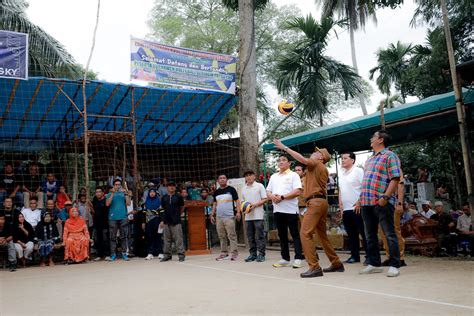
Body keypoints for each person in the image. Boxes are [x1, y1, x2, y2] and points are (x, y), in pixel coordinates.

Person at [274, 140, 344, 277]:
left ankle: (314, 267)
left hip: (315, 202)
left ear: (321, 157)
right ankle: (336, 263)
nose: (313, 152)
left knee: (304, 234)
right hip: (321, 202)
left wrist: (285, 148)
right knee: (322, 236)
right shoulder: (318, 168)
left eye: (316, 152)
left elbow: (301, 159)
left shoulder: (316, 163)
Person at [356, 130, 401, 278]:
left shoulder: (390, 156)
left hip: (381, 201)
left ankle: (395, 264)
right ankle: (374, 263)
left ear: (380, 140)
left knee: (389, 233)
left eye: (373, 137)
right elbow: (366, 181)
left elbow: (395, 178)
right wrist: (360, 199)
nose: (371, 139)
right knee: (369, 235)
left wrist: (386, 197)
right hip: (366, 202)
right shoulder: (369, 159)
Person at [266, 154, 304, 269]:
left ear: (289, 163)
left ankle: (298, 258)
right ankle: (285, 258)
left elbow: (297, 191)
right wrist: (273, 197)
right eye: (279, 160)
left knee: (295, 235)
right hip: (278, 210)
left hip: (291, 210)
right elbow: (268, 191)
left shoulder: (293, 175)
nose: (281, 162)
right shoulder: (274, 176)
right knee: (282, 235)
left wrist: (282, 197)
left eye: (284, 160)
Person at [337, 152, 367, 264]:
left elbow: (364, 187)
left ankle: (369, 256)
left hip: (357, 207)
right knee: (351, 234)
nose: (342, 160)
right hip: (346, 209)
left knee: (364, 232)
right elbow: (341, 190)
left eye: (345, 158)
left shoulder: (358, 171)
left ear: (352, 160)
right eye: (342, 158)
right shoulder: (342, 173)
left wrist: (360, 201)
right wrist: (340, 205)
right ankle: (355, 256)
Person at [380, 169, 407, 267]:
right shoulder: (380, 166)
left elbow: (400, 185)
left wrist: (400, 203)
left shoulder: (395, 165)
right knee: (383, 231)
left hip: (393, 202)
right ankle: (389, 256)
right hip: (381, 203)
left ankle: (400, 257)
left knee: (395, 230)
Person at [211, 174, 241, 261]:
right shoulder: (216, 192)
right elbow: (214, 204)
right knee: (221, 236)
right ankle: (224, 253)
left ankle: (234, 253)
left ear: (226, 180)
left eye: (224, 178)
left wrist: (238, 212)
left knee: (231, 235)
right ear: (218, 181)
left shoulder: (231, 189)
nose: (222, 180)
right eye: (220, 178)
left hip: (229, 216)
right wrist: (212, 214)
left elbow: (237, 201)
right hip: (219, 217)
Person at [241, 170, 268, 263]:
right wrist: (245, 208)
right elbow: (242, 202)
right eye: (246, 176)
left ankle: (261, 254)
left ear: (254, 176)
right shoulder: (244, 188)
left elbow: (265, 199)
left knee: (260, 235)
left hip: (258, 215)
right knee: (250, 236)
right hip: (248, 216)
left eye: (250, 175)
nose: (248, 177)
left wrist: (255, 205)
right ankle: (252, 254)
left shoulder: (259, 186)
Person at [106, 179, 131, 261]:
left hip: (123, 217)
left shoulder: (123, 193)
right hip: (112, 218)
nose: (117, 186)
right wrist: (112, 193)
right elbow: (107, 204)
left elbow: (128, 203)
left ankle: (124, 254)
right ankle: (113, 254)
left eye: (119, 184)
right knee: (112, 237)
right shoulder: (109, 193)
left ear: (121, 185)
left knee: (123, 236)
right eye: (116, 184)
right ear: (113, 185)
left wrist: (126, 194)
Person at [160, 182, 185, 262]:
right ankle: (167, 255)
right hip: (166, 221)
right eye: (170, 186)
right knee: (166, 239)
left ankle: (181, 255)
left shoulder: (178, 197)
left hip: (176, 221)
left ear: (175, 187)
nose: (171, 187)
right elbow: (162, 209)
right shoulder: (164, 197)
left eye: (173, 186)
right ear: (167, 187)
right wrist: (163, 220)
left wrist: (177, 214)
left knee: (178, 239)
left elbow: (182, 207)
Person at [143, 188, 163, 260]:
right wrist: (143, 222)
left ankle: (160, 252)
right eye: (150, 192)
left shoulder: (159, 202)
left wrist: (162, 221)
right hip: (148, 221)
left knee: (158, 236)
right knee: (149, 237)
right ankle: (150, 253)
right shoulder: (146, 202)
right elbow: (144, 213)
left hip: (157, 220)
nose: (152, 193)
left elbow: (162, 211)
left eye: (153, 192)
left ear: (155, 193)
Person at [92, 187, 109, 261]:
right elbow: (94, 211)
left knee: (105, 239)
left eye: (99, 192)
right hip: (97, 223)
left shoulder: (106, 201)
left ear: (103, 193)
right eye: (96, 192)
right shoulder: (95, 200)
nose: (98, 193)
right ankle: (99, 255)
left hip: (105, 223)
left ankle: (107, 254)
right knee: (97, 240)